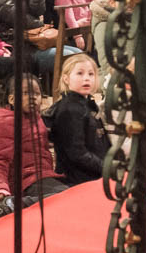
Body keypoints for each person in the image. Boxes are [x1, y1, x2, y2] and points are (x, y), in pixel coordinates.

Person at [0, 74, 68, 220]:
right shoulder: (5, 122)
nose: (32, 97)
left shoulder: (35, 117)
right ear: (11, 99)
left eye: (36, 93)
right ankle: (12, 205)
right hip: (25, 181)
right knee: (66, 198)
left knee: (74, 194)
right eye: (25, 93)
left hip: (41, 175)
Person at [46, 54, 108, 185]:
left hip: (94, 173)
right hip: (78, 179)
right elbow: (77, 154)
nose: (86, 78)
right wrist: (107, 168)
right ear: (66, 78)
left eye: (91, 74)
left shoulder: (87, 104)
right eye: (79, 73)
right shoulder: (69, 110)